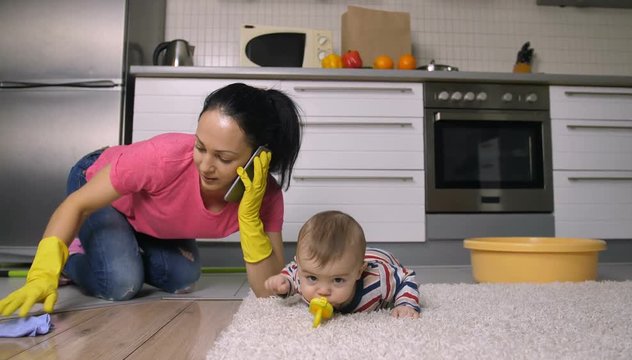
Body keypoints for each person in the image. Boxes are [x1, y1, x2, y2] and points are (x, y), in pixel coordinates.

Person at [0, 83, 302, 317]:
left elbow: (268, 289)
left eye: (223, 158)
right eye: (200, 147)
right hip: (97, 184)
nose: (206, 166)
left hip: (148, 216)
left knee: (183, 276)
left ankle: (119, 246)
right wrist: (42, 273)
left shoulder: (266, 198)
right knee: (121, 282)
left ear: (260, 158)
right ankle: (76, 260)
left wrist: (249, 220)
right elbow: (76, 204)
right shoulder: (163, 158)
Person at [264, 210, 421, 319]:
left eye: (338, 280)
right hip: (349, 261)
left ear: (359, 272)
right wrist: (283, 282)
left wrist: (405, 304)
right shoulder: (303, 272)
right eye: (312, 278)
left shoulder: (378, 279)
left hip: (381, 258)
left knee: (353, 259)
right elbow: (292, 273)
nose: (323, 291)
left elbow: (406, 277)